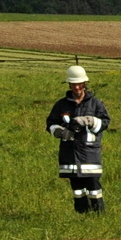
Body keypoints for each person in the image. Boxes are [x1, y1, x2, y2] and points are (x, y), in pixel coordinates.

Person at [46, 65, 110, 213]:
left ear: (85, 84)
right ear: (69, 84)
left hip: (89, 153)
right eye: (74, 84)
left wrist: (90, 121)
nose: (77, 87)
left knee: (93, 187)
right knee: (77, 188)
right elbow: (50, 123)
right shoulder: (61, 104)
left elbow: (105, 122)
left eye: (80, 84)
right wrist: (59, 131)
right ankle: (81, 214)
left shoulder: (95, 104)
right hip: (70, 154)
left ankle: (99, 214)